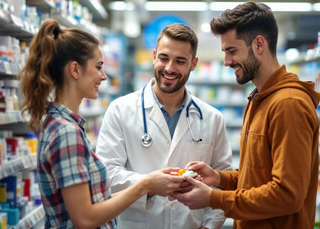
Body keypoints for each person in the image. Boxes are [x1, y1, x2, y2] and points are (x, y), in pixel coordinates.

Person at [19, 19, 185, 228]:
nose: (104, 76)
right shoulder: (66, 132)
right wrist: (145, 184)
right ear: (75, 70)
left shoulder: (61, 124)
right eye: (98, 67)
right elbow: (85, 218)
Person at [170, 1, 320, 229]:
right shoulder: (258, 99)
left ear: (259, 44)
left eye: (232, 51)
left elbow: (288, 195)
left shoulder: (288, 104)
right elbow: (256, 177)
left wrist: (213, 198)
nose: (227, 61)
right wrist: (219, 178)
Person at [95, 23, 233, 229]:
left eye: (180, 61)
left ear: (193, 64)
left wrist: (209, 227)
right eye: (163, 58)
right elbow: (106, 175)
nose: (169, 68)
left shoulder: (212, 118)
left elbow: (222, 184)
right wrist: (149, 184)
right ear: (154, 56)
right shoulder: (120, 110)